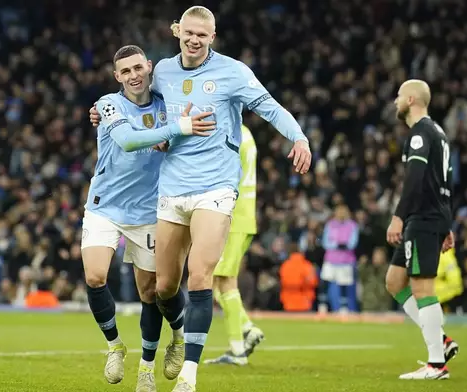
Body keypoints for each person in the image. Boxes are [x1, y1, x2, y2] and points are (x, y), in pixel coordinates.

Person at [90, 7, 311, 391]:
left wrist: (300, 137)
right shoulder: (162, 73)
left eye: (202, 35)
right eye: (188, 32)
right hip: (171, 188)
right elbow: (136, 95)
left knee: (201, 275)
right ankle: (177, 336)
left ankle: (188, 377)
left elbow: (270, 107)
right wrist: (100, 111)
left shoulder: (234, 72)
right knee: (164, 288)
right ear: (178, 32)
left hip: (216, 187)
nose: (194, 40)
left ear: (213, 37)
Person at [82, 44, 215, 391]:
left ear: (149, 66)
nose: (133, 76)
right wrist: (175, 130)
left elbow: (184, 134)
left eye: (138, 68)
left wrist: (175, 134)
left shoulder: (166, 104)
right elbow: (127, 141)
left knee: (153, 291)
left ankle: (158, 355)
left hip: (148, 210)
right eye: (125, 72)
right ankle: (114, 346)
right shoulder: (109, 104)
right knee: (96, 276)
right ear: (117, 78)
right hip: (105, 204)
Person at [385, 79, 459, 380]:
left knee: (422, 287)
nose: (395, 101)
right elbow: (447, 180)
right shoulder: (438, 133)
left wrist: (399, 216)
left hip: (423, 217)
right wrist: (448, 224)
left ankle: (436, 364)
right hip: (434, 216)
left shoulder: (419, 134)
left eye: (399, 96)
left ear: (412, 100)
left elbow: (414, 181)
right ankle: (441, 340)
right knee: (394, 281)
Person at [204, 125, 265, 366]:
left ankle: (238, 350)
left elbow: (220, 174)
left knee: (222, 279)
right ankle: (246, 330)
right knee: (219, 280)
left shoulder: (230, 132)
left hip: (232, 215)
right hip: (244, 214)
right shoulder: (246, 132)